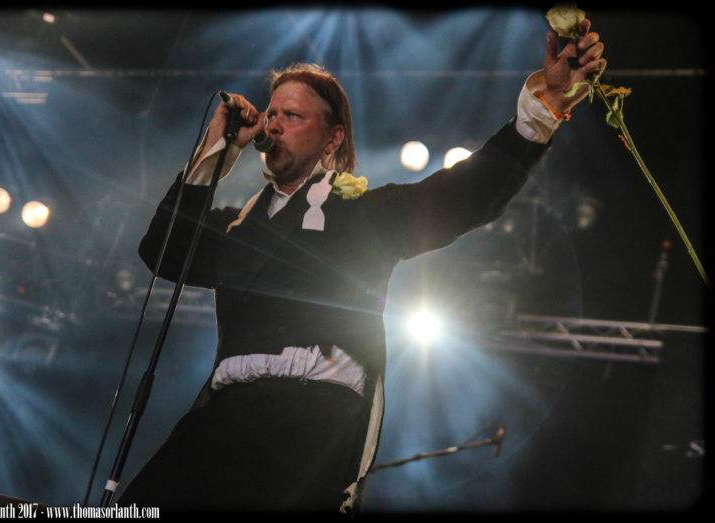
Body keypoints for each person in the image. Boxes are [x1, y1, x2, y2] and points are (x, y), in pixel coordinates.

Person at [117, 17, 605, 515]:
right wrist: (214, 151)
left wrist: (542, 109)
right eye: (272, 113)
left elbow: (468, 195)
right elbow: (164, 251)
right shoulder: (238, 227)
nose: (274, 124)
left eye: (293, 116)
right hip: (223, 415)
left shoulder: (363, 215)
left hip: (310, 415)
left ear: (332, 139)